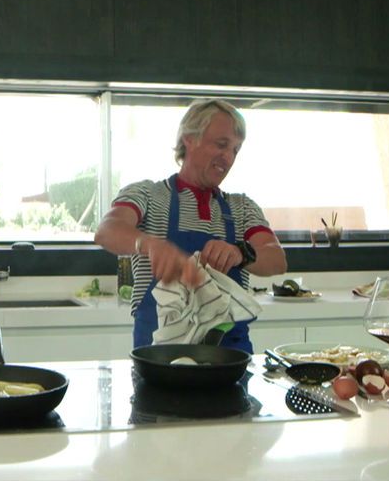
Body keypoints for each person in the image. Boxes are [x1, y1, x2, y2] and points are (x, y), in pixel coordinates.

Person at [94, 99, 287, 353]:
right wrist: (149, 244)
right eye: (221, 144)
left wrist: (241, 252)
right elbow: (107, 230)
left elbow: (276, 258)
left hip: (229, 364)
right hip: (159, 363)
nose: (228, 157)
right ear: (189, 138)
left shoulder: (242, 207)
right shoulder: (148, 195)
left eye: (235, 150)